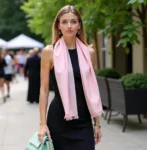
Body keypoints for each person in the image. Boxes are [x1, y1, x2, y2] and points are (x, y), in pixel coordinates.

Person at [38, 5, 103, 150]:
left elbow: (92, 91)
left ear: (79, 25)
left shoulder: (89, 52)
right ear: (58, 25)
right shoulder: (49, 52)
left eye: (73, 21)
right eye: (65, 22)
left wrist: (97, 123)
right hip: (58, 120)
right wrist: (42, 124)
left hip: (84, 121)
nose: (69, 26)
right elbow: (44, 89)